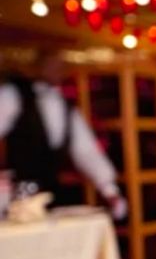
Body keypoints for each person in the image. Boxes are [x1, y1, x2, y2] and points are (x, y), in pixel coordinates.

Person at [0, 50, 126, 218]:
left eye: (60, 66)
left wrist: (109, 190)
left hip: (51, 193)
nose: (56, 70)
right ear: (37, 67)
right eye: (51, 65)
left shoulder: (67, 108)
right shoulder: (13, 95)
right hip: (15, 198)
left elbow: (87, 152)